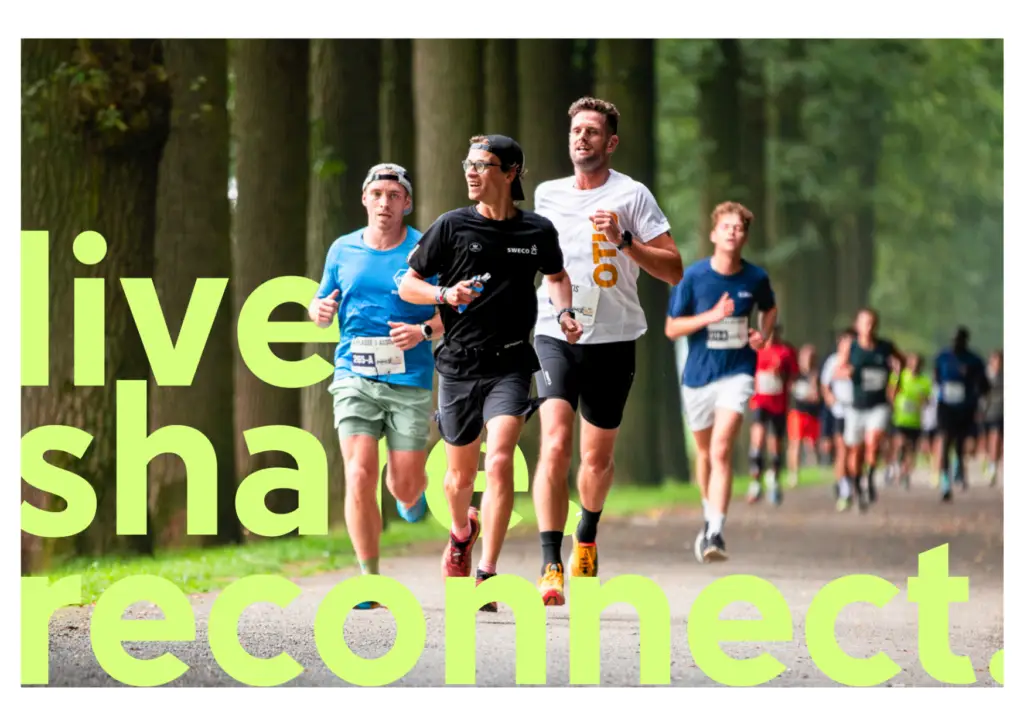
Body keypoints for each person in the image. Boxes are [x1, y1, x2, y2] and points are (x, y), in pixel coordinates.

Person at [399, 134, 582, 611]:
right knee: (457, 482)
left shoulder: (537, 232)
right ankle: (462, 533)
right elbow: (409, 282)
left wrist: (564, 314)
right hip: (459, 364)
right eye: (468, 164)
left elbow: (558, 278)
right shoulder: (451, 227)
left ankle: (488, 573)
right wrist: (444, 296)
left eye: (482, 165)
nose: (471, 172)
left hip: (511, 363)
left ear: (511, 172)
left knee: (500, 459)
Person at [528, 96, 684, 605]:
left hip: (614, 338)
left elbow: (673, 268)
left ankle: (587, 533)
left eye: (593, 132)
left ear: (611, 142)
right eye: (576, 131)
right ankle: (551, 563)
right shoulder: (547, 195)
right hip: (555, 331)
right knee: (554, 444)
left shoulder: (633, 195)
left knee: (595, 461)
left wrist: (625, 242)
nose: (582, 139)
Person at [309, 163, 442, 610]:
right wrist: (320, 311)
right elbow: (322, 299)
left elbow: (453, 312)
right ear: (365, 199)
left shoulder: (425, 250)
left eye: (394, 195)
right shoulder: (342, 249)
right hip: (353, 374)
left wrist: (423, 332)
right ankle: (369, 578)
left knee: (403, 485)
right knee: (359, 472)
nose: (385, 203)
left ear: (407, 203)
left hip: (410, 377)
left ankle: (410, 495)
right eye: (377, 194)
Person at [665, 201, 776, 563]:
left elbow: (769, 309)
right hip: (698, 376)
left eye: (739, 228)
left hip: (738, 372)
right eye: (726, 226)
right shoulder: (694, 277)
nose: (732, 231)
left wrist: (764, 335)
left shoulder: (756, 278)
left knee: (722, 448)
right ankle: (708, 513)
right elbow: (672, 328)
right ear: (714, 234)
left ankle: (716, 531)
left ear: (744, 236)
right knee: (704, 452)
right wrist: (711, 315)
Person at [834, 308, 904, 512]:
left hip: (879, 404)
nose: (869, 327)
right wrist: (848, 371)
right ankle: (857, 486)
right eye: (865, 323)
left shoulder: (885, 347)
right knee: (855, 451)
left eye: (872, 322)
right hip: (857, 406)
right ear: (858, 325)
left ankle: (871, 478)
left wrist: (896, 382)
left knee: (873, 443)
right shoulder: (850, 346)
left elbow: (903, 362)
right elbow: (839, 369)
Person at [932, 326, 989, 501]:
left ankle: (958, 468)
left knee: (960, 441)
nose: (956, 343)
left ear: (966, 341)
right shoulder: (942, 357)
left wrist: (977, 394)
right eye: (953, 339)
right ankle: (945, 482)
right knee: (945, 439)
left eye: (959, 340)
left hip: (965, 407)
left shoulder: (974, 360)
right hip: (946, 406)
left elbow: (984, 385)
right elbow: (936, 378)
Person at [746, 325, 799, 505]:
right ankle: (755, 482)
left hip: (779, 404)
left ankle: (774, 480)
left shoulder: (786, 351)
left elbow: (794, 376)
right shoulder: (754, 351)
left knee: (775, 444)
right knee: (757, 440)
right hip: (760, 403)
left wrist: (781, 375)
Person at [819, 328, 856, 510]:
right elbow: (824, 385)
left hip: (857, 412)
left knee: (853, 452)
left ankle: (849, 480)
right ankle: (844, 488)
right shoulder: (832, 361)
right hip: (839, 412)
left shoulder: (859, 361)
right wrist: (830, 399)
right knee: (841, 450)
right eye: (846, 342)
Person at [888, 352, 932, 489]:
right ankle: (894, 466)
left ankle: (905, 473)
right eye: (912, 362)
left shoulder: (925, 380)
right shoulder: (900, 376)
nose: (914, 366)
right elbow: (890, 393)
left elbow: (928, 401)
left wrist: (923, 400)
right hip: (900, 419)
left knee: (910, 449)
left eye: (917, 363)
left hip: (915, 421)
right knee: (900, 444)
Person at [786, 343, 822, 489]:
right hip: (797, 412)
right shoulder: (794, 374)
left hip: (813, 413)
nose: (808, 360)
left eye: (811, 357)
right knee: (795, 443)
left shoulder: (816, 375)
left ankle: (815, 463)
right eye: (806, 357)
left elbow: (817, 396)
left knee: (812, 444)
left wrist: (814, 385)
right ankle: (793, 473)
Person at [981, 349, 1003, 486]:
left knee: (997, 439)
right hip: (987, 412)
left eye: (1000, 360)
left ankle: (993, 466)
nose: (997, 363)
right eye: (995, 360)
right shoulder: (986, 375)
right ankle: (990, 462)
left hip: (1001, 412)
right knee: (988, 440)